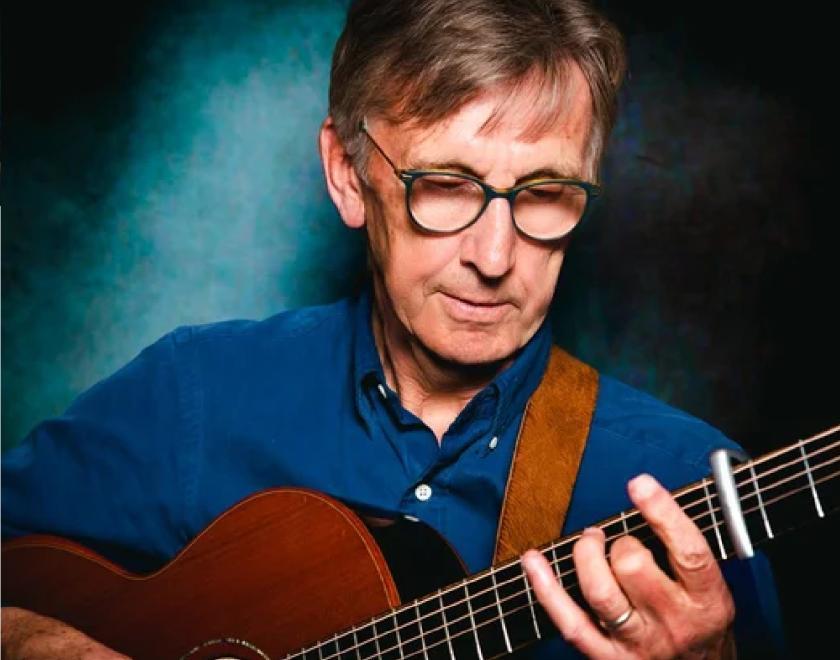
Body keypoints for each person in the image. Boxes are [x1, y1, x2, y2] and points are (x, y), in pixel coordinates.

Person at [2, 0, 784, 658]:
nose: (495, 255)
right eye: (444, 185)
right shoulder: (197, 392)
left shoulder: (688, 490)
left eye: (545, 192)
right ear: (348, 176)